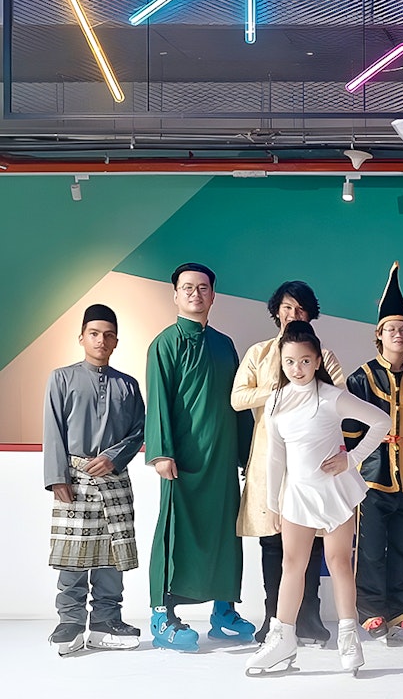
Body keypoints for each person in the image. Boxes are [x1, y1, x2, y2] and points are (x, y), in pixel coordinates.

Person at [244, 322, 391, 676]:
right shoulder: (276, 400)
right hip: (296, 494)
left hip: (335, 491)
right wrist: (274, 503)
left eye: (305, 361)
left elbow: (381, 421)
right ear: (282, 361)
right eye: (290, 361)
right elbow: (275, 455)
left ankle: (348, 636)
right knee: (291, 566)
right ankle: (282, 640)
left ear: (317, 360)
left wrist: (351, 459)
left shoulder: (331, 395)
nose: (297, 369)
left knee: (339, 563)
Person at [145, 262, 254, 652]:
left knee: (226, 534)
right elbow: (157, 401)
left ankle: (224, 613)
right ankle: (162, 615)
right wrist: (161, 453)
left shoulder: (225, 345)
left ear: (213, 295)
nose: (195, 293)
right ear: (175, 295)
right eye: (187, 287)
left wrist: (248, 454)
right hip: (183, 463)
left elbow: (239, 403)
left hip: (223, 461)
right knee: (176, 535)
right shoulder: (165, 343)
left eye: (203, 287)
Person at [233, 281, 344, 646]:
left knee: (309, 542)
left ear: (311, 315)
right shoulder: (259, 353)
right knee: (272, 542)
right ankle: (273, 619)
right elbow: (237, 398)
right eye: (286, 308)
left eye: (300, 309)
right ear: (275, 311)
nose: (292, 315)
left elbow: (340, 399)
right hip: (269, 459)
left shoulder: (323, 357)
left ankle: (309, 617)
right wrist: (280, 391)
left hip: (311, 463)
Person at [43, 304, 144, 655]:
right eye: (94, 333)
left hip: (113, 478)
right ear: (82, 337)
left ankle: (106, 621)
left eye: (108, 334)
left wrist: (113, 458)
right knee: (72, 554)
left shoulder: (128, 385)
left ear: (116, 341)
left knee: (112, 555)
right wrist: (58, 477)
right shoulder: (61, 378)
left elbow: (138, 432)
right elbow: (53, 430)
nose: (102, 340)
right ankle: (69, 622)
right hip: (73, 478)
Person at [345, 262, 403, 641]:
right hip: (372, 475)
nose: (398, 334)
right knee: (369, 548)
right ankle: (370, 612)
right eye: (390, 329)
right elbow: (350, 432)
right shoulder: (359, 377)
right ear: (378, 336)